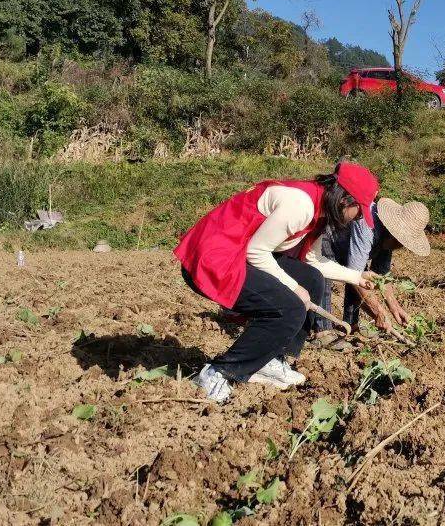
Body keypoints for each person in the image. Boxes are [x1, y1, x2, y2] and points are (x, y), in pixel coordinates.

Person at [174, 162, 378, 403]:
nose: (356, 220)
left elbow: (314, 261)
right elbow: (256, 251)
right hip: (215, 256)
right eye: (359, 212)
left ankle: (271, 360)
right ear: (345, 201)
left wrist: (356, 277)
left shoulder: (320, 212)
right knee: (288, 308)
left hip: (240, 253)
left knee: (312, 280)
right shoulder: (300, 205)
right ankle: (218, 373)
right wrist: (293, 288)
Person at [329, 198, 431, 333]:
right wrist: (378, 312)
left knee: (361, 277)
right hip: (328, 238)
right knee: (326, 277)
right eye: (401, 242)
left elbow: (382, 275)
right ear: (394, 235)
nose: (401, 247)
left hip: (346, 248)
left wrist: (395, 308)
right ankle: (321, 330)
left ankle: (350, 326)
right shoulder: (367, 225)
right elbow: (355, 273)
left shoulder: (387, 238)